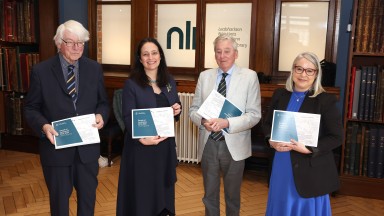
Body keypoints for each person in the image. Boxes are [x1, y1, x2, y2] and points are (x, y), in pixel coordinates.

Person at [24, 20, 110, 215]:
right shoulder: (41, 71)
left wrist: (101, 115)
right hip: (56, 151)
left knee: (88, 203)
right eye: (71, 42)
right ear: (58, 43)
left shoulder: (94, 69)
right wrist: (44, 126)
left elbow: (103, 103)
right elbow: (31, 108)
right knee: (59, 205)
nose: (77, 47)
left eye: (81, 43)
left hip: (87, 152)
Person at [262, 52, 343, 216]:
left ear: (316, 74)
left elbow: (336, 137)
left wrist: (310, 149)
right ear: (292, 70)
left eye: (309, 70)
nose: (303, 74)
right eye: (299, 69)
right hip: (281, 163)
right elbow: (268, 124)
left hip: (310, 168)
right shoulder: (280, 95)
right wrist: (271, 141)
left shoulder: (325, 100)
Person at [189, 35, 261, 215]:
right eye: (218, 51)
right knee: (209, 195)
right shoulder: (205, 76)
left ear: (236, 54)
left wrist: (227, 122)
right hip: (209, 144)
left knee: (232, 195)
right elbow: (194, 110)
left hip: (235, 145)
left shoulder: (250, 77)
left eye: (227, 51)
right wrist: (203, 121)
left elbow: (254, 115)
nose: (222, 56)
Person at [116, 37, 182, 216]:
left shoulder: (169, 81)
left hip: (165, 147)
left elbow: (175, 106)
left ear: (160, 55)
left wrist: (177, 109)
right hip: (141, 149)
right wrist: (142, 139)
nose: (150, 57)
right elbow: (128, 116)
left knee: (163, 193)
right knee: (144, 195)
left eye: (154, 53)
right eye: (145, 54)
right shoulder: (132, 84)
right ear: (139, 58)